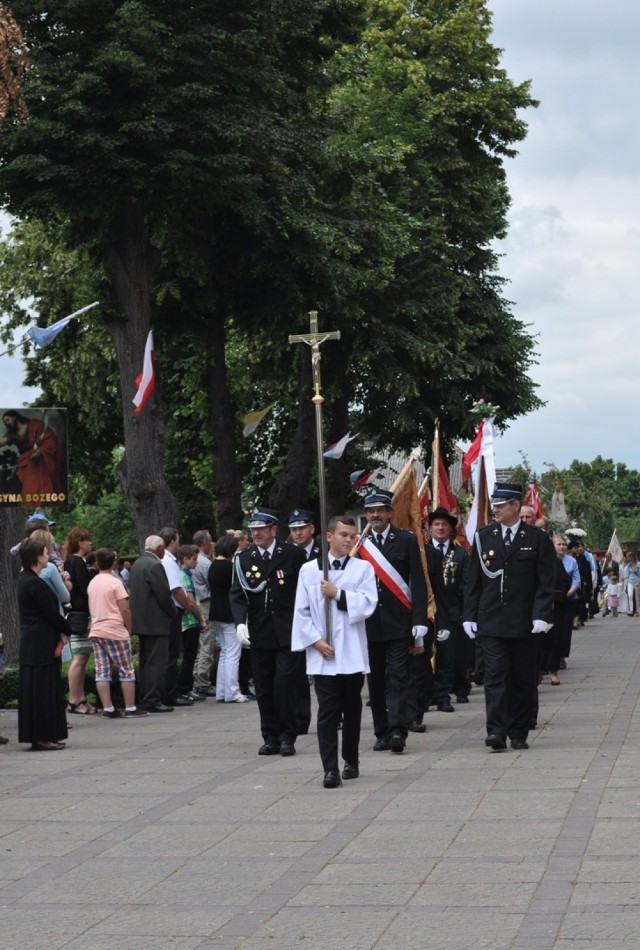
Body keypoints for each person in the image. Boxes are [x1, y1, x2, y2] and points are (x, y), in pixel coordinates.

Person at [463, 483, 556, 752]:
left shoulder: (536, 539)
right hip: (491, 620)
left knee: (522, 678)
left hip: (524, 622)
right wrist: (469, 615)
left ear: (516, 506)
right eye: (494, 505)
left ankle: (519, 731)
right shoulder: (484, 537)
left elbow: (546, 581)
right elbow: (474, 581)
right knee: (494, 676)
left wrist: (542, 614)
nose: (496, 509)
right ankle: (496, 731)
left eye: (501, 505)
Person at [292, 516, 377, 788]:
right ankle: (330, 768)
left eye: (352, 535)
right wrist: (315, 641)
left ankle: (350, 758)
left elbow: (367, 604)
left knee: (352, 709)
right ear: (328, 536)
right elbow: (301, 611)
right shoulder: (309, 570)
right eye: (342, 534)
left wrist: (338, 593)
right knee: (327, 711)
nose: (348, 540)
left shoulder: (362, 569)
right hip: (323, 654)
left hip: (351, 651)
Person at [229, 507, 306, 756]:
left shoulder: (292, 554)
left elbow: (303, 590)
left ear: (274, 530)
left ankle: (287, 736)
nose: (256, 533)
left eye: (261, 528)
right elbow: (238, 594)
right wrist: (240, 622)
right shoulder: (243, 558)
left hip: (287, 629)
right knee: (263, 686)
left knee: (285, 683)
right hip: (260, 631)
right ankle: (270, 736)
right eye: (253, 529)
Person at [362, 488, 428, 754]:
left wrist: (420, 617)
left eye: (380, 510)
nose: (375, 515)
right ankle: (381, 732)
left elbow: (419, 581)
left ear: (390, 512)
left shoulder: (406, 540)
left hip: (399, 622)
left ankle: (398, 730)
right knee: (375, 680)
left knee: (398, 677)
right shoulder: (359, 544)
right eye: (370, 511)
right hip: (368, 623)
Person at [17, 536, 73, 750]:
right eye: (46, 553)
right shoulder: (35, 583)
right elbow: (51, 613)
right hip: (41, 642)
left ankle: (40, 734)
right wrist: (68, 629)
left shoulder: (25, 580)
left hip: (33, 641)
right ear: (38, 557)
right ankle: (43, 735)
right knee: (43, 690)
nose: (48, 556)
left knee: (36, 689)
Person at [88, 548, 148, 718]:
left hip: (97, 629)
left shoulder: (93, 582)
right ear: (114, 562)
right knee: (126, 669)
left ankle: (108, 708)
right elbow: (125, 608)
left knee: (102, 669)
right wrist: (129, 628)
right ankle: (130, 707)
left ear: (97, 563)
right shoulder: (115, 582)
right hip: (114, 629)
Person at [426, 507, 470, 708]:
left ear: (451, 528)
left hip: (451, 612)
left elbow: (466, 583)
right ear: (430, 528)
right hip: (426, 613)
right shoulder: (421, 551)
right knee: (423, 657)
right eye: (437, 524)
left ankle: (443, 696)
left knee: (447, 657)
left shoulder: (461, 554)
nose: (441, 528)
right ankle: (426, 696)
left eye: (445, 524)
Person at [128, 535, 176, 712]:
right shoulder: (155, 565)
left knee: (146, 661)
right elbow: (164, 595)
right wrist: (173, 613)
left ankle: (145, 696)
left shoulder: (138, 563)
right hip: (156, 622)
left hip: (141, 621)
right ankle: (153, 699)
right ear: (160, 548)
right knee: (157, 662)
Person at [159, 527, 199, 707]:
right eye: (178, 540)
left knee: (171, 654)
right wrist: (187, 605)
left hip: (170, 610)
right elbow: (177, 589)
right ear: (173, 541)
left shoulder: (166, 560)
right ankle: (171, 693)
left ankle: (168, 692)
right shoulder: (169, 562)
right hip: (174, 610)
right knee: (172, 655)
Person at [288, 508, 319, 735]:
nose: (298, 534)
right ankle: (301, 718)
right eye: (294, 529)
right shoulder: (286, 552)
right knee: (297, 671)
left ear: (312, 529)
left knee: (326, 670)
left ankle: (333, 712)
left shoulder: (324, 551)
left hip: (322, 617)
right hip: (297, 618)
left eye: (302, 528)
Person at [64, 526, 97, 715]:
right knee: (79, 658)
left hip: (79, 612)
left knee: (83, 657)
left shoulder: (73, 562)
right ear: (79, 542)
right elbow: (86, 589)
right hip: (80, 614)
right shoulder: (77, 562)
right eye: (86, 540)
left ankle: (80, 697)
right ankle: (74, 699)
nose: (89, 543)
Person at [209, 534, 246, 702]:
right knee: (233, 653)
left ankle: (222, 691)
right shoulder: (229, 567)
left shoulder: (213, 565)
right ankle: (232, 691)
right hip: (229, 612)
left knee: (225, 652)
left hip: (217, 611)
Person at [0, 409, 63, 500]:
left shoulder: (34, 425)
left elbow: (49, 439)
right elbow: (2, 441)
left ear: (15, 417)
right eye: (5, 422)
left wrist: (40, 452)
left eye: (8, 420)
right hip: (25, 462)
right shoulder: (12, 434)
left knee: (38, 484)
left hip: (40, 460)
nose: (6, 423)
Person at [543, 535, 580, 686]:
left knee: (554, 636)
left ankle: (553, 670)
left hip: (555, 604)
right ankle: (538, 669)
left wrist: (562, 594)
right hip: (530, 604)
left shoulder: (558, 563)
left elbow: (566, 582)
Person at [176, 544, 206, 701]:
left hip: (187, 622)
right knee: (190, 656)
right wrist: (201, 618)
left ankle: (186, 687)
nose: (196, 562)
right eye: (194, 559)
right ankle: (184, 688)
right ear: (185, 559)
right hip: (189, 622)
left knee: (190, 656)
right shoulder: (184, 575)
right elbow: (190, 600)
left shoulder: (185, 574)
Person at [191, 529, 217, 698]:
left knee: (200, 644)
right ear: (205, 543)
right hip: (206, 603)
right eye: (210, 542)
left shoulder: (193, 560)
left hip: (195, 603)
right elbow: (212, 583)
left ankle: (196, 679)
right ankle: (202, 681)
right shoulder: (205, 563)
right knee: (207, 644)